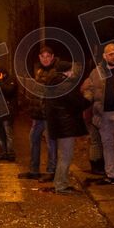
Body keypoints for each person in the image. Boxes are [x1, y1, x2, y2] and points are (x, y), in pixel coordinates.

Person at [82, 43, 114, 188]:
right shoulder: (97, 72)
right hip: (103, 114)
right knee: (107, 145)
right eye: (110, 54)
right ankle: (110, 175)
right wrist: (87, 98)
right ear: (105, 56)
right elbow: (89, 89)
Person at [45, 62, 91, 194]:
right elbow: (78, 103)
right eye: (71, 70)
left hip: (57, 124)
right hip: (66, 125)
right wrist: (88, 97)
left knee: (63, 155)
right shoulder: (65, 85)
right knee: (66, 156)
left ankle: (61, 182)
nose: (73, 73)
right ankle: (61, 185)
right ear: (67, 71)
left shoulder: (53, 83)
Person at [18, 46, 58, 180]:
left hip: (49, 113)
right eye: (43, 56)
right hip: (38, 114)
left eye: (48, 56)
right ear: (39, 58)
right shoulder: (39, 70)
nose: (45, 59)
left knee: (51, 142)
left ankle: (52, 171)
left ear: (52, 57)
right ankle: (34, 170)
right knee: (33, 139)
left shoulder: (55, 70)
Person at [0, 66, 17, 161]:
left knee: (8, 134)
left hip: (7, 112)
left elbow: (8, 91)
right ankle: (3, 153)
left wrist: (0, 81)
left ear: (3, 74)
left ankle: (10, 154)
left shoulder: (10, 80)